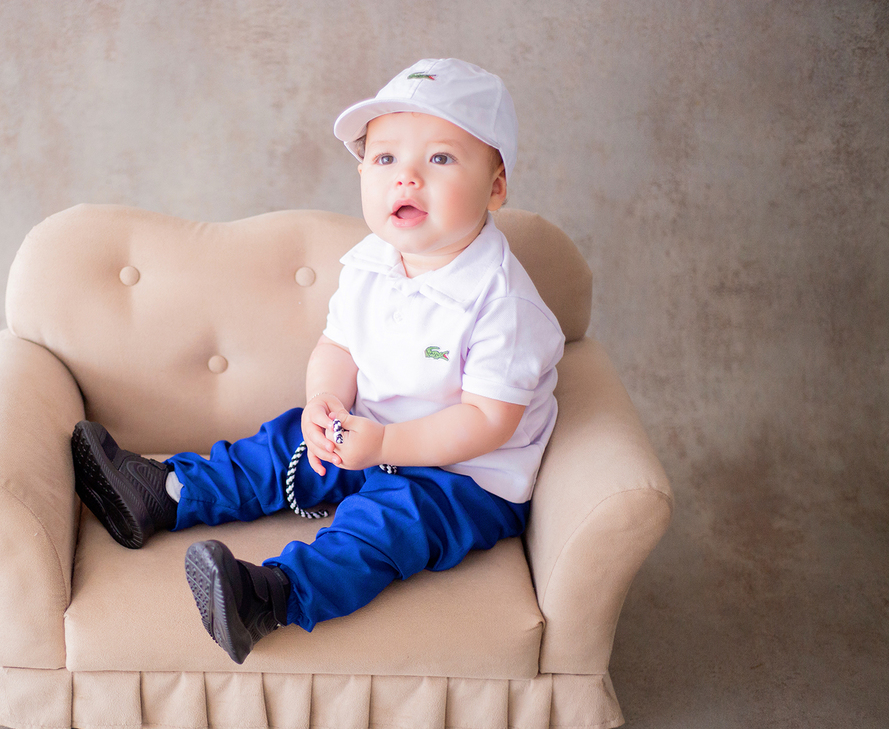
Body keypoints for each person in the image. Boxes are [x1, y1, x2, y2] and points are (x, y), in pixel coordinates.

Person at [70, 58, 565, 664]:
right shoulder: (371, 262)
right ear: (362, 173)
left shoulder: (502, 303)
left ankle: (273, 595)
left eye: (440, 158)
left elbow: (488, 421)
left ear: (495, 185)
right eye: (385, 158)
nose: (406, 178)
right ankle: (166, 492)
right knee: (283, 443)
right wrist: (324, 401)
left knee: (387, 522)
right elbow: (339, 347)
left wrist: (385, 447)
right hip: (368, 431)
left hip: (465, 477)